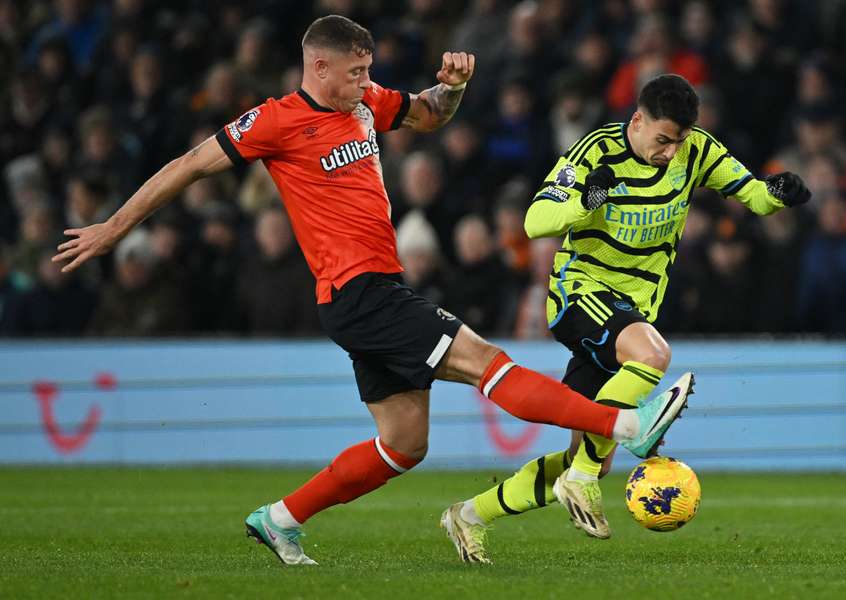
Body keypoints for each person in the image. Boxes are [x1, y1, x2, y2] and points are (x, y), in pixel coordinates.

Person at [52, 16, 689, 567]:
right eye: (355, 71)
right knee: (485, 361)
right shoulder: (274, 122)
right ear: (319, 65)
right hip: (360, 294)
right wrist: (112, 228)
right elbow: (188, 166)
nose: (366, 82)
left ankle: (280, 518)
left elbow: (430, 113)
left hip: (370, 293)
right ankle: (624, 425)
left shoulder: (364, 105)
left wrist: (455, 87)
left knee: (405, 444)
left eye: (369, 70)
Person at [443, 74, 811, 563]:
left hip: (633, 310)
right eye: (662, 140)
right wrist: (584, 200)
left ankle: (469, 516)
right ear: (637, 121)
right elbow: (535, 221)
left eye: (677, 142)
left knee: (587, 451)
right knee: (653, 354)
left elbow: (753, 194)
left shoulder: (694, 151)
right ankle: (607, 453)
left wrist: (780, 193)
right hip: (581, 293)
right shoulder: (595, 152)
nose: (669, 152)